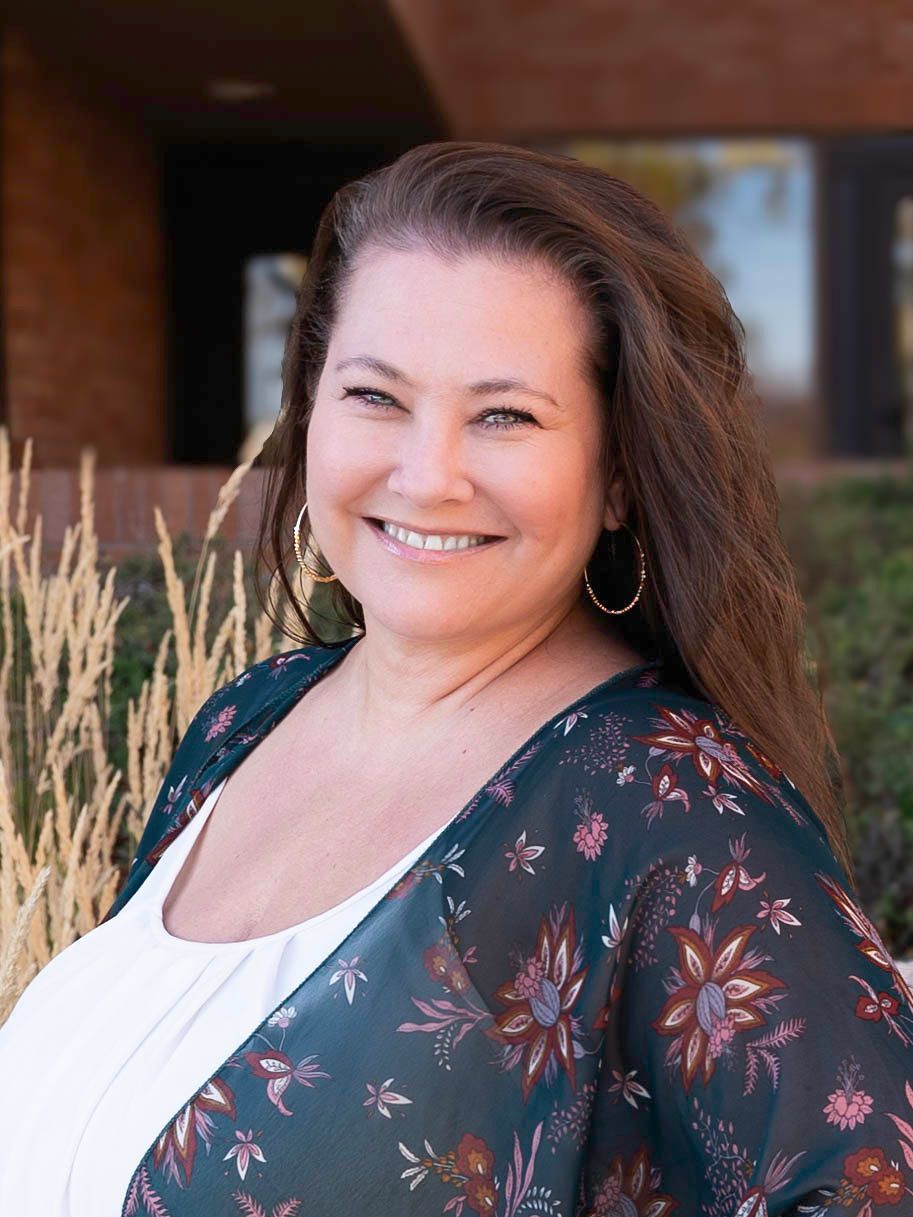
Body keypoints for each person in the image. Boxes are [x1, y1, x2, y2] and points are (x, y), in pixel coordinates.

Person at [1, 140, 911, 1217]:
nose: (426, 475)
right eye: (376, 396)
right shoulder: (249, 716)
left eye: (505, 414)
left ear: (618, 472)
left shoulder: (670, 808)